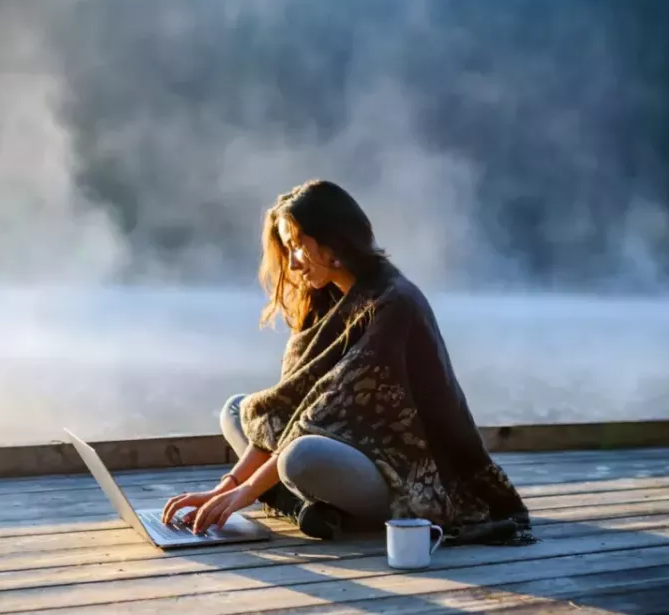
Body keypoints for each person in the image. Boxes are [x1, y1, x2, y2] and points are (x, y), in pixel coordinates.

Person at [162, 180, 532, 545]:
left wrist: (242, 495)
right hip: (347, 449)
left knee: (301, 456)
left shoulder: (393, 304)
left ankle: (290, 499)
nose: (292, 264)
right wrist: (222, 490)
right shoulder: (326, 299)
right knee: (238, 409)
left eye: (297, 247)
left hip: (409, 474)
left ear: (332, 242)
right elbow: (289, 409)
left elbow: (316, 420)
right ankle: (301, 505)